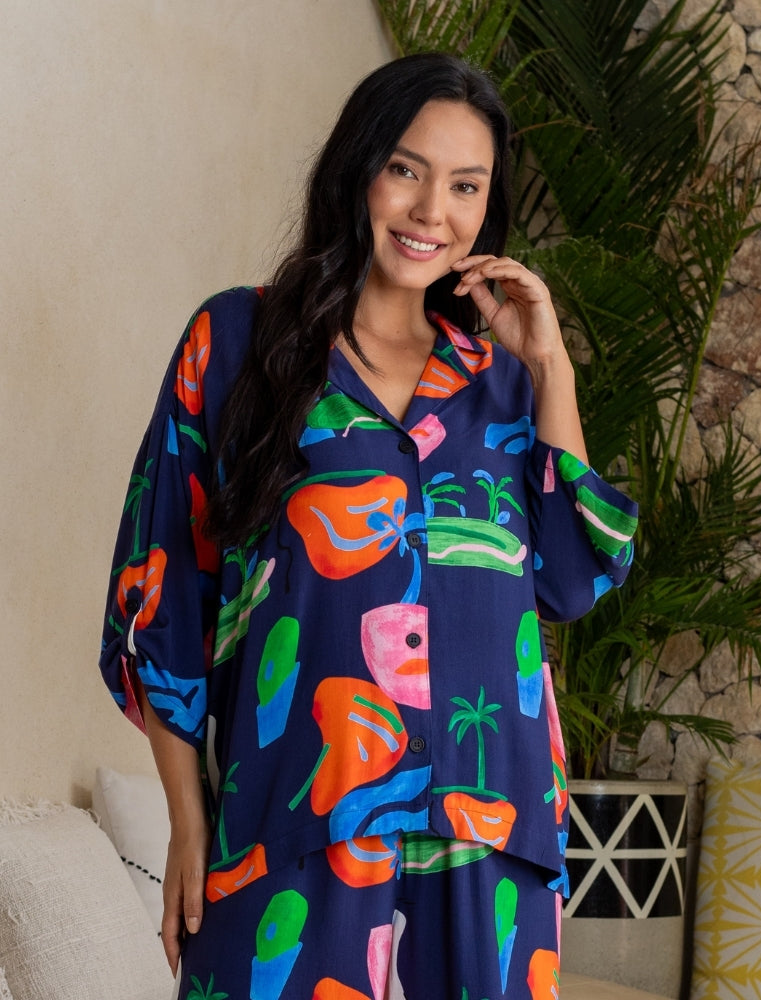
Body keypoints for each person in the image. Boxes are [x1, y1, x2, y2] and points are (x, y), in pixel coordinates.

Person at [100, 52, 637, 1000]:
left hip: (490, 836)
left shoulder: (504, 383)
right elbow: (162, 593)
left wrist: (551, 368)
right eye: (406, 169)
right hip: (298, 821)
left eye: (465, 186)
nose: (432, 210)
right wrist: (188, 820)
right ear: (358, 169)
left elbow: (571, 576)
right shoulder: (238, 345)